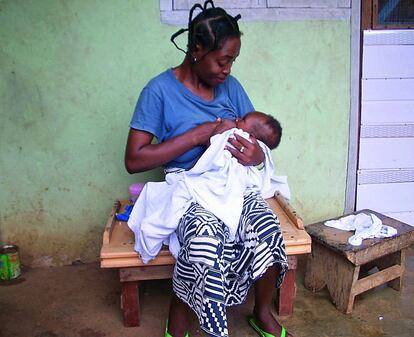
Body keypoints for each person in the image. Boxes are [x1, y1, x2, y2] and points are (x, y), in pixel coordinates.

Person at [124, 1, 292, 336]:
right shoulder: (158, 91)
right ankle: (180, 314)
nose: (228, 69)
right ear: (197, 50)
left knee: (266, 228)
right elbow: (134, 160)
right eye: (223, 59)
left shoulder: (231, 87)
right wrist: (198, 135)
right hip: (189, 187)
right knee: (202, 239)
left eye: (232, 60)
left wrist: (254, 156)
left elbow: (256, 139)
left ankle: (261, 311)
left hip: (231, 185)